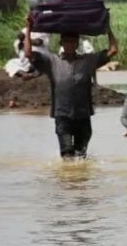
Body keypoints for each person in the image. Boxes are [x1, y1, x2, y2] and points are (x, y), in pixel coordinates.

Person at [24, 16, 118, 160]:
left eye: (73, 42)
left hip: (83, 115)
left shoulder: (88, 61)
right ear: (61, 43)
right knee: (67, 155)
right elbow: (28, 54)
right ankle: (68, 174)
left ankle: (79, 175)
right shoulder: (52, 61)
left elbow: (113, 50)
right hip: (62, 115)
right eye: (67, 41)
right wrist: (28, 28)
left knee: (81, 156)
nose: (69, 44)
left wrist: (108, 29)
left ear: (77, 44)